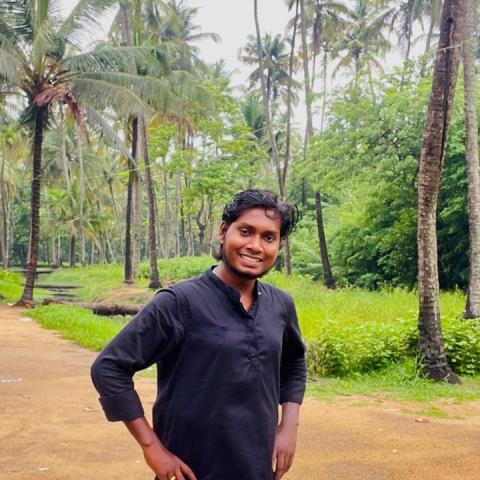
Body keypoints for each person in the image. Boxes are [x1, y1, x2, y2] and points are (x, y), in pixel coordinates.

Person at [91, 189, 307, 480]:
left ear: (278, 246)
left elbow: (293, 363)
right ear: (224, 231)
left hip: (257, 468)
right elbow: (109, 367)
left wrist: (289, 427)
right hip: (191, 471)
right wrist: (151, 447)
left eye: (268, 237)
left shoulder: (280, 304)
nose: (255, 246)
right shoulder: (179, 302)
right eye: (245, 231)